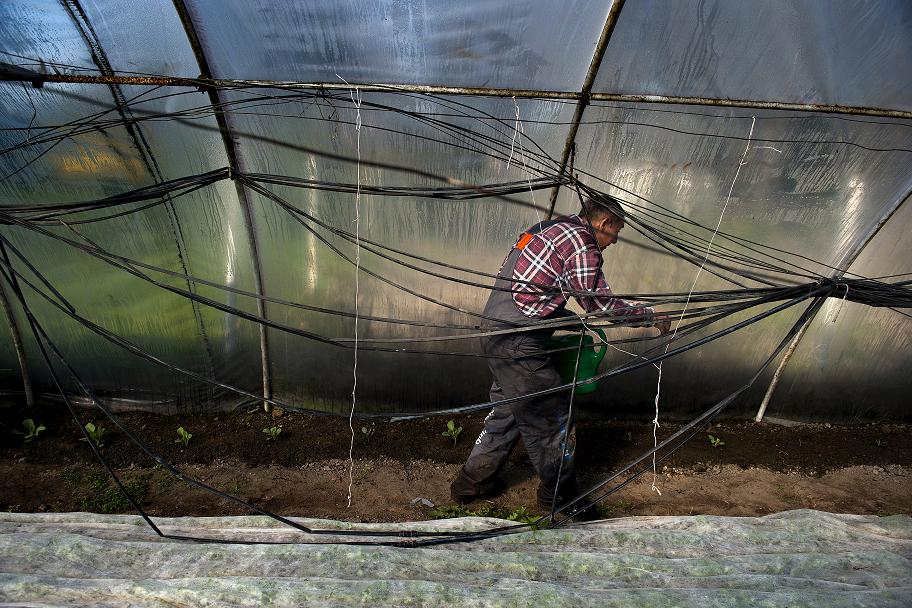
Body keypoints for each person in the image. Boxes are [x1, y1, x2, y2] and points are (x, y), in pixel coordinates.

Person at [450, 195, 670, 519]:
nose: (614, 241)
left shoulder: (547, 228)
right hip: (518, 342)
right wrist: (648, 316)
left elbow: (530, 288)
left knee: (509, 412)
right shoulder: (582, 243)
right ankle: (560, 498)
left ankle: (471, 483)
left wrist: (564, 315)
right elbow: (600, 304)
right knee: (553, 416)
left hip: (495, 331)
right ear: (604, 223)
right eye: (616, 232)